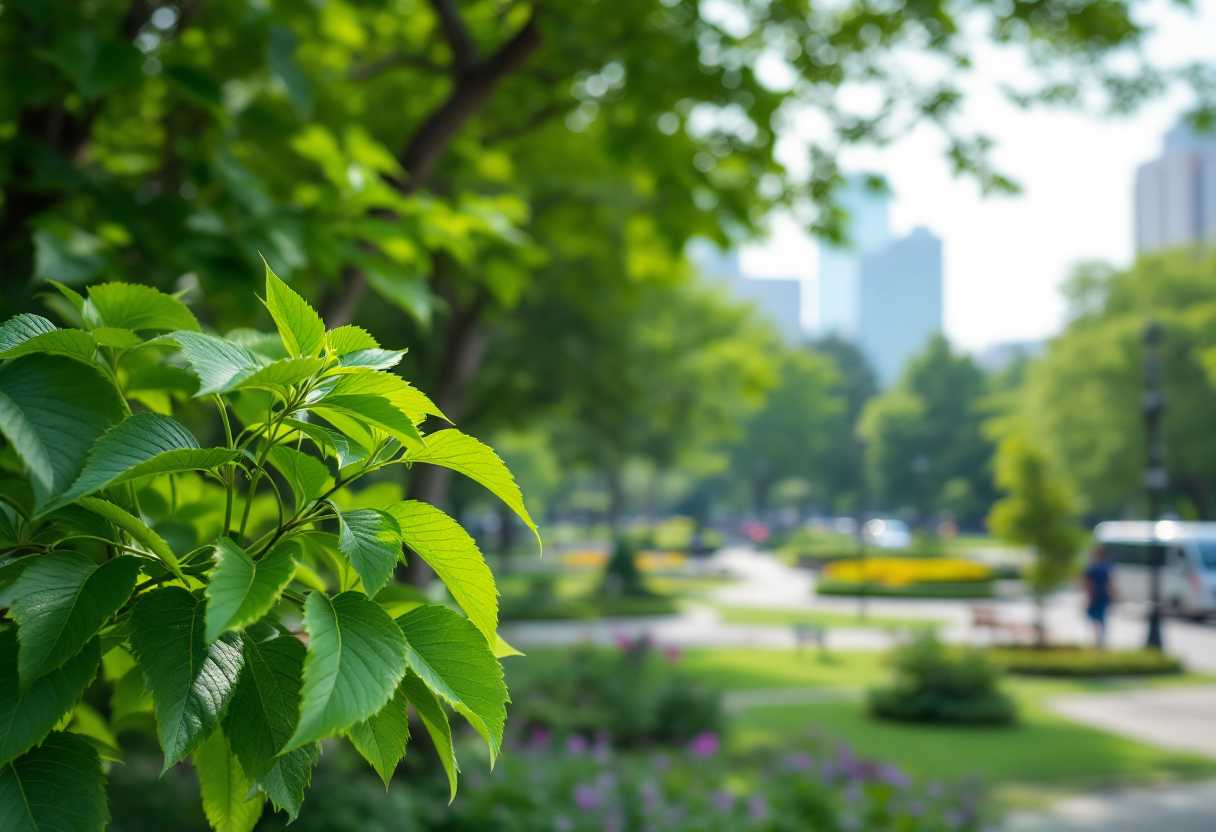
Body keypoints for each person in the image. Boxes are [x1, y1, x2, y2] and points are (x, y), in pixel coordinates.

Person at [1083, 545, 1116, 649]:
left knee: (1097, 619)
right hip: (1100, 595)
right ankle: (1098, 641)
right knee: (1100, 618)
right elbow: (1108, 583)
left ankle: (1097, 641)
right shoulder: (1102, 567)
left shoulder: (1094, 567)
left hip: (1097, 596)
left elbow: (1088, 583)